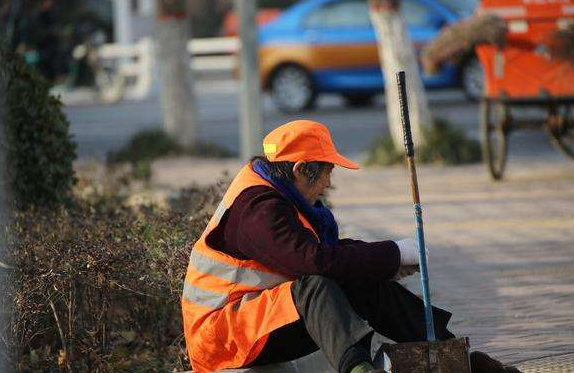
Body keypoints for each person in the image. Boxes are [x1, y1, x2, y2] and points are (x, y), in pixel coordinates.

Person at [181, 120, 521, 373]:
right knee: (315, 286)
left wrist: (387, 261)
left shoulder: (280, 193)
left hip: (255, 323)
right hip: (222, 338)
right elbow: (315, 262)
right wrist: (393, 253)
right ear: (301, 170)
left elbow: (333, 256)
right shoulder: (260, 210)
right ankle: (358, 369)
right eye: (327, 172)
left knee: (359, 281)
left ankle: (452, 354)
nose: (329, 182)